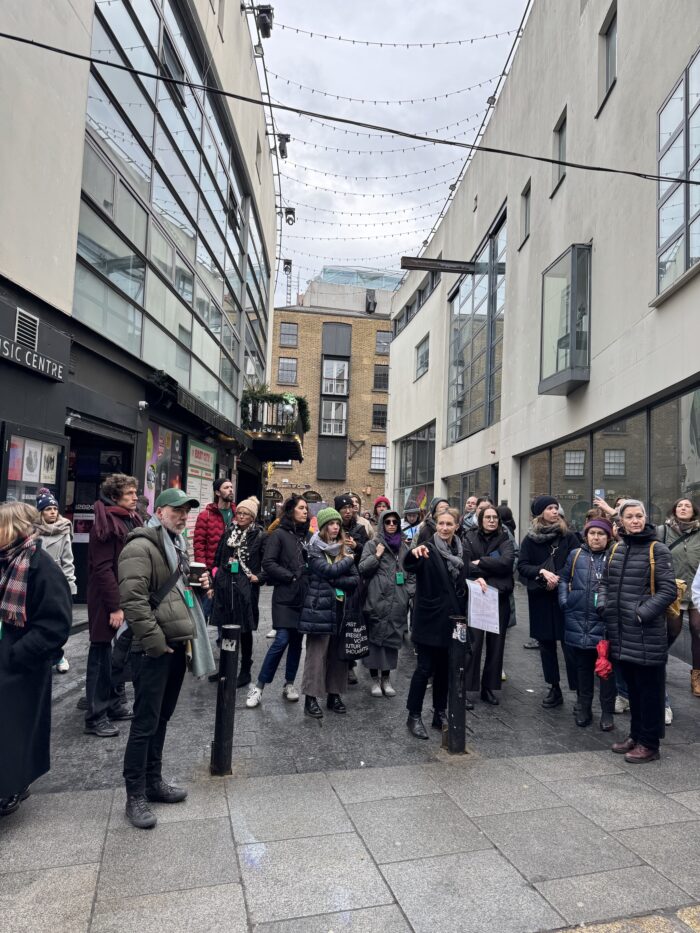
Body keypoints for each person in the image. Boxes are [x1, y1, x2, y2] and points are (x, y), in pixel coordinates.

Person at [118, 488, 210, 828]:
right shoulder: (141, 546)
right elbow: (133, 600)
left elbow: (172, 594)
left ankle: (153, 781)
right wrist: (156, 642)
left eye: (186, 512)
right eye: (176, 511)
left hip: (175, 644)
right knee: (144, 723)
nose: (182, 517)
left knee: (161, 719)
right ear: (159, 511)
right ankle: (135, 795)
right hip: (153, 648)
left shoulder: (175, 546)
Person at [0, 502, 72, 817]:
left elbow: (56, 624)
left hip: (20, 668)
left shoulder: (40, 565)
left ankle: (10, 788)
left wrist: (17, 656)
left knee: (13, 731)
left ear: (15, 529)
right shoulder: (6, 561)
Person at [598, 499, 676, 763]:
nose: (635, 520)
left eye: (639, 516)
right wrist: (603, 604)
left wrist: (641, 613)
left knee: (650, 691)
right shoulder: (617, 549)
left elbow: (668, 591)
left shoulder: (658, 549)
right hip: (621, 632)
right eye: (629, 516)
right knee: (632, 689)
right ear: (621, 521)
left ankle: (650, 743)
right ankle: (636, 735)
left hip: (646, 634)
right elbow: (605, 582)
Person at [85, 473, 142, 737]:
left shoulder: (131, 518)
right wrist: (115, 607)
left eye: (135, 493)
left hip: (126, 596)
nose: (135, 497)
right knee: (101, 655)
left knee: (120, 653)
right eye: (129, 493)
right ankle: (96, 716)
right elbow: (103, 568)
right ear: (115, 495)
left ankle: (116, 702)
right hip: (106, 600)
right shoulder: (106, 522)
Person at [404, 508, 467, 739]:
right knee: (424, 669)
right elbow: (409, 564)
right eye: (441, 523)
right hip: (429, 620)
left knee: (444, 671)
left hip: (451, 621)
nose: (444, 528)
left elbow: (464, 577)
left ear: (456, 526)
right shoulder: (427, 549)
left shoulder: (460, 550)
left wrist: (476, 579)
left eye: (449, 524)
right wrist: (413, 553)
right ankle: (413, 715)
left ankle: (439, 713)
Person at [246, 496, 311, 708]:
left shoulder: (308, 537)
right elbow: (269, 563)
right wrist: (290, 576)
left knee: (296, 641)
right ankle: (259, 686)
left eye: (306, 509)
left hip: (303, 597)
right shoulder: (279, 535)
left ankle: (289, 683)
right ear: (291, 511)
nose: (305, 512)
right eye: (301, 508)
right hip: (284, 596)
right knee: (282, 639)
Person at [518, 495, 580, 709]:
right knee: (546, 646)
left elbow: (577, 562)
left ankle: (580, 691)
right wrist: (541, 572)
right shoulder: (530, 539)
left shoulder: (568, 537)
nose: (555, 511)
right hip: (541, 598)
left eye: (556, 508)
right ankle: (554, 688)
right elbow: (522, 566)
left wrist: (558, 578)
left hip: (565, 598)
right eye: (550, 508)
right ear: (540, 513)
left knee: (570, 646)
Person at [299, 507, 359, 717]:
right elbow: (327, 570)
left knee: (337, 654)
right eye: (331, 524)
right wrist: (348, 561)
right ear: (323, 527)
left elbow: (354, 579)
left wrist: (335, 579)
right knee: (316, 655)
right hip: (319, 608)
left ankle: (334, 694)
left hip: (341, 608)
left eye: (337, 524)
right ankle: (311, 698)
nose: (335, 527)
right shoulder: (314, 548)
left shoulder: (344, 549)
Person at [558, 518, 616, 730]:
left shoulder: (614, 556)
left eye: (601, 534)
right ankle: (584, 707)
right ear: (586, 535)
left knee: (606, 670)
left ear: (608, 537)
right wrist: (565, 601)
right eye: (592, 533)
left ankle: (607, 712)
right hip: (579, 619)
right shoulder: (576, 555)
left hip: (605, 622)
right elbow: (564, 579)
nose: (596, 537)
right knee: (582, 668)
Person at [210, 496, 266, 689]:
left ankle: (245, 670)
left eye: (245, 514)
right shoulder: (229, 533)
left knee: (244, 630)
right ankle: (226, 666)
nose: (241, 516)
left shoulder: (259, 535)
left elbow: (267, 562)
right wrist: (216, 574)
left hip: (245, 588)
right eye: (239, 513)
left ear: (252, 517)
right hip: (226, 586)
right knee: (226, 627)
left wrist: (259, 577)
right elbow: (219, 557)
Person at [359, 509, 415, 697]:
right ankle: (375, 679)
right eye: (387, 521)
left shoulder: (404, 548)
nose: (391, 525)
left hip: (397, 601)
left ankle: (386, 678)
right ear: (382, 524)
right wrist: (377, 555)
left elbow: (412, 574)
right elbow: (363, 569)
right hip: (376, 599)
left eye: (394, 522)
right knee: (374, 640)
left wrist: (407, 593)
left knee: (392, 640)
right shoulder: (372, 544)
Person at [463, 505, 515, 705]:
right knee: (473, 644)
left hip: (499, 597)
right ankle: (467, 687)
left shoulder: (505, 539)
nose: (492, 520)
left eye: (495, 517)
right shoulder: (469, 536)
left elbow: (506, 563)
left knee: (496, 645)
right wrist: (486, 567)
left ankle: (488, 688)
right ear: (481, 519)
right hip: (476, 596)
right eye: (488, 517)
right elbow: (465, 564)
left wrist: (481, 562)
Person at [658, 497, 700, 697]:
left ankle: (697, 677)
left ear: (694, 511)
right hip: (673, 590)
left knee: (698, 629)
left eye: (688, 506)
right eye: (680, 506)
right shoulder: (663, 531)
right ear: (674, 510)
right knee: (673, 631)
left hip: (697, 589)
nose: (684, 508)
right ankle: (657, 660)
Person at [35, 490, 76, 673]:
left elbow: (68, 560)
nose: (52, 512)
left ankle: (58, 656)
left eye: (54, 509)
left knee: (54, 623)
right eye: (48, 509)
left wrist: (70, 585)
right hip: (36, 582)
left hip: (56, 583)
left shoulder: (64, 530)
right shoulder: (32, 530)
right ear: (41, 512)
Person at [193, 478, 236, 619]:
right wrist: (204, 570)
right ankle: (201, 639)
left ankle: (224, 640)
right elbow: (199, 544)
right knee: (205, 609)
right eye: (226, 487)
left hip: (231, 571)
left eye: (231, 487)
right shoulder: (206, 515)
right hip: (211, 570)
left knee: (227, 611)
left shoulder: (238, 515)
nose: (230, 490)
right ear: (217, 492)